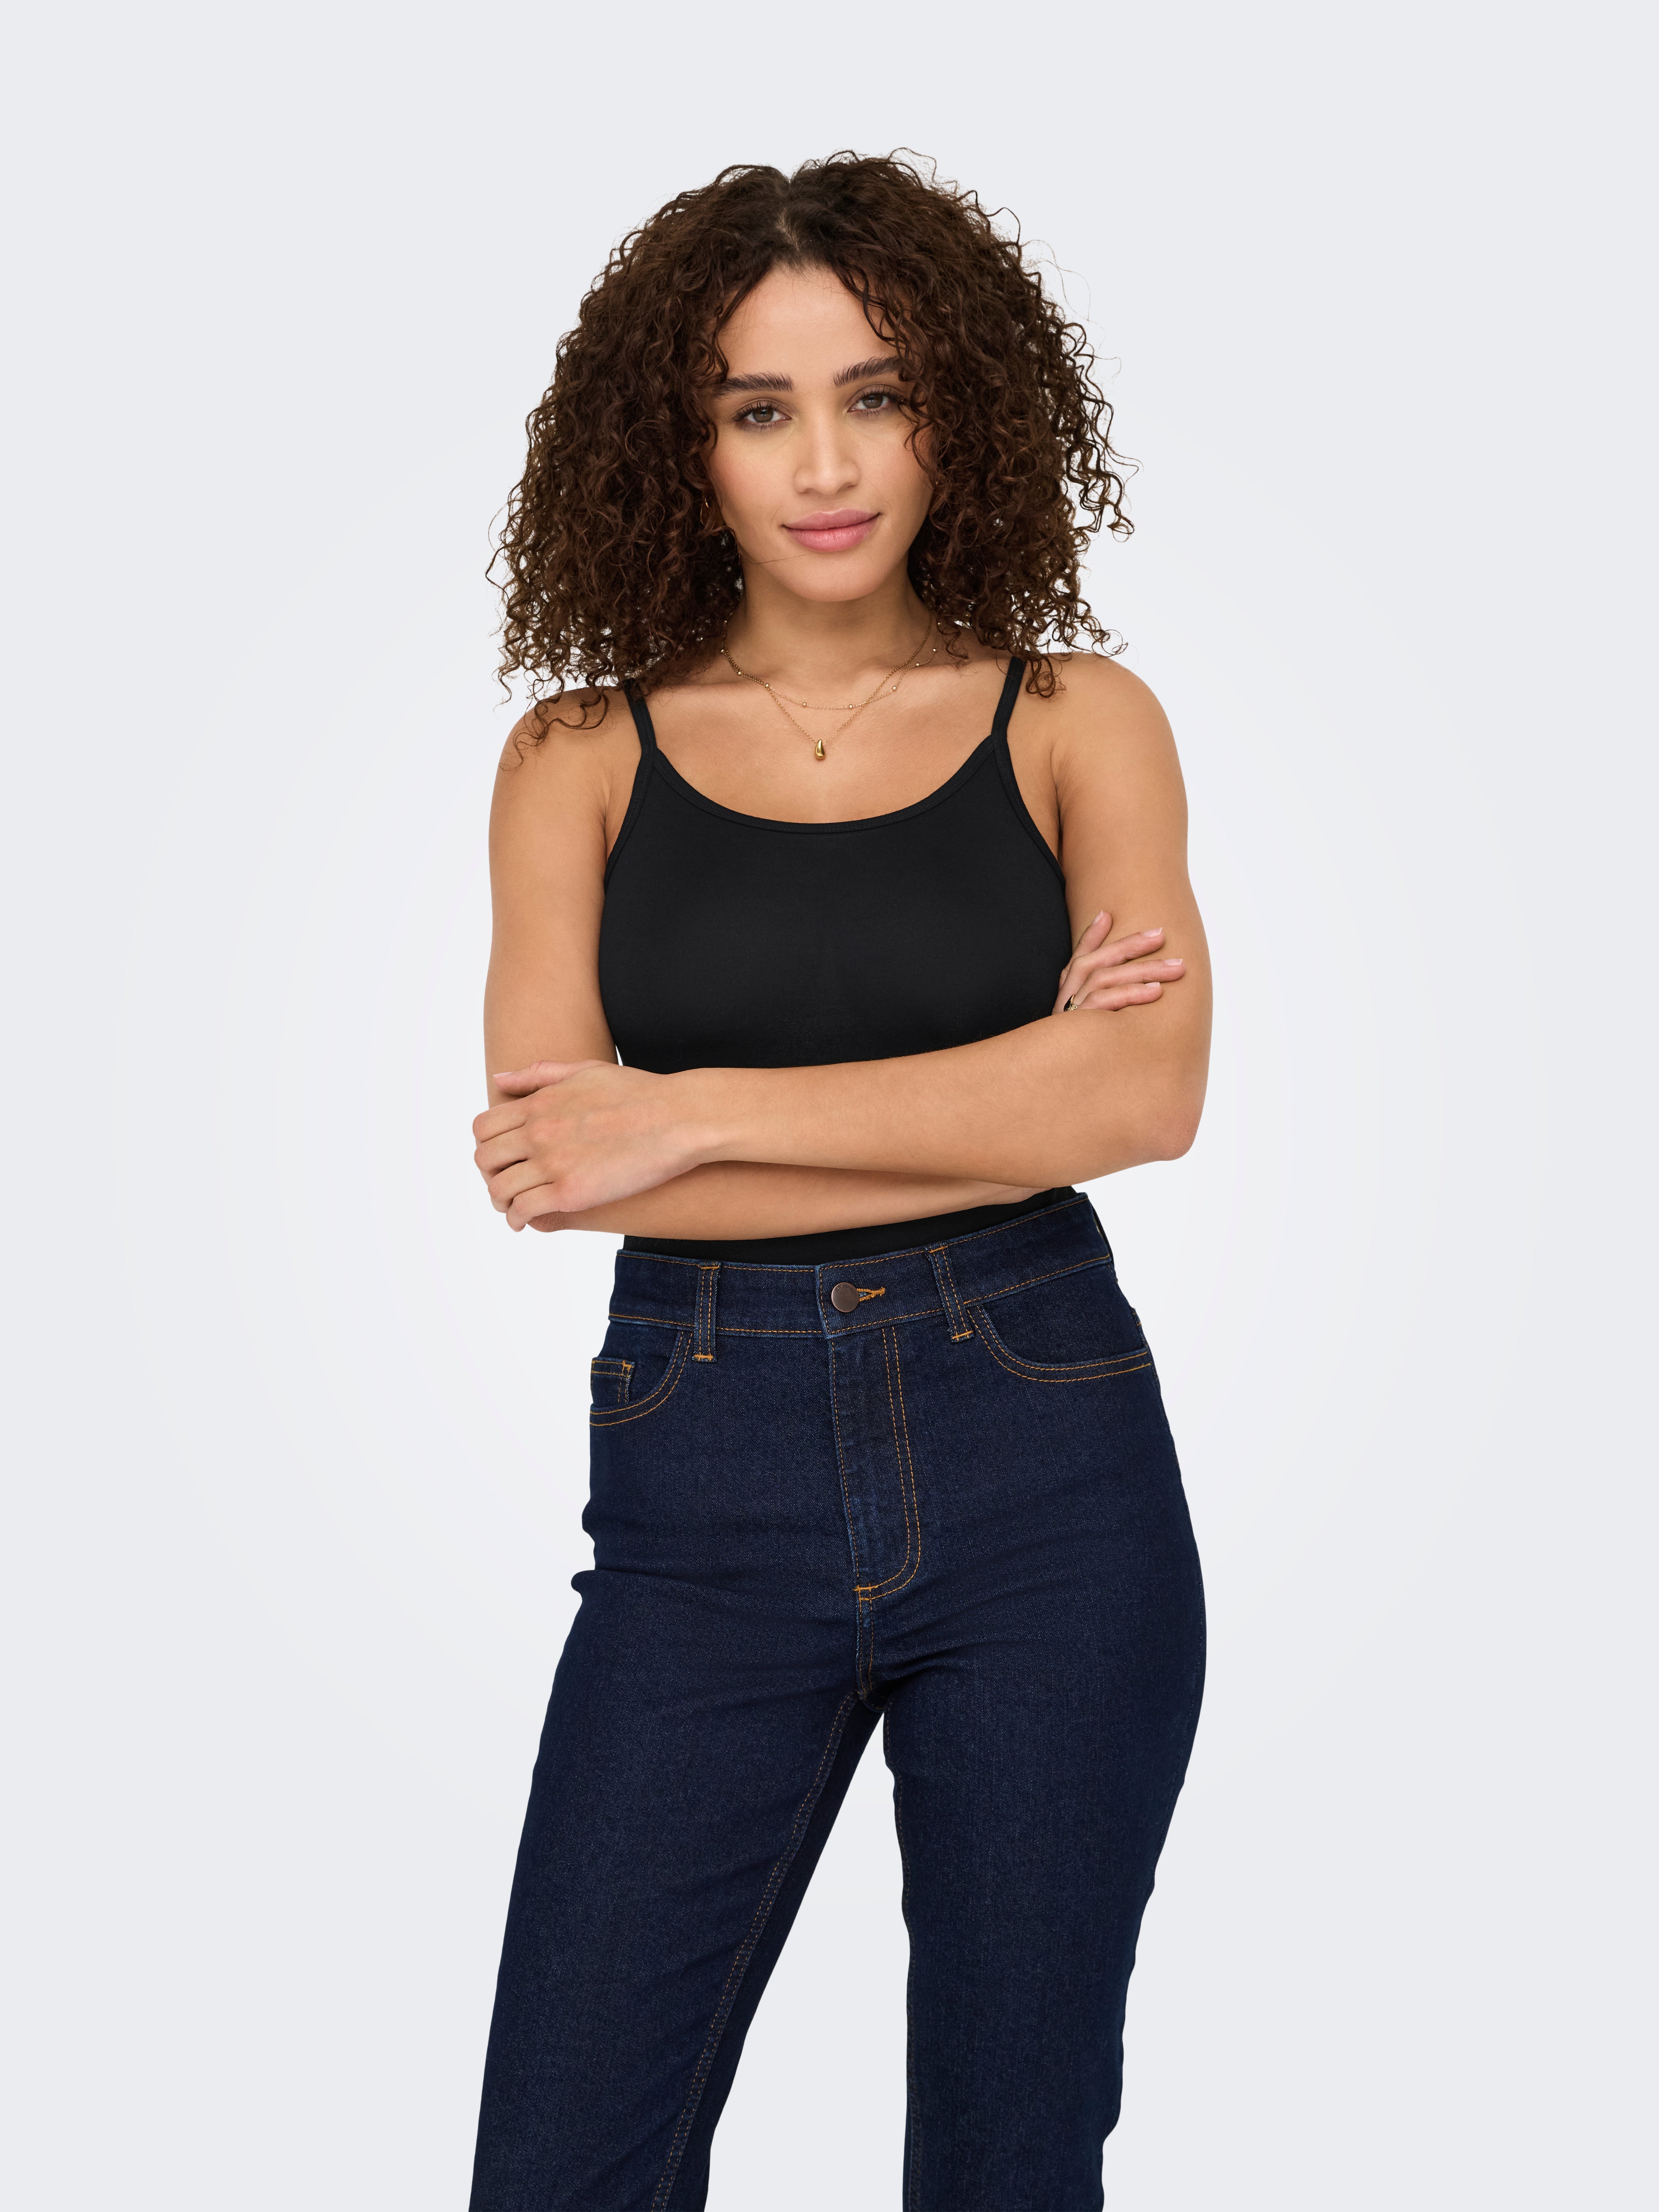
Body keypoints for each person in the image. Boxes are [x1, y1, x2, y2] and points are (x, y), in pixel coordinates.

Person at [467, 153, 1210, 2212]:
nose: (825, 464)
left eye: (878, 396)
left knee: (1010, 2161)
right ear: (678, 441)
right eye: (760, 407)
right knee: (563, 2162)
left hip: (1048, 1469)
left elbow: (1146, 1099)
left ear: (957, 415)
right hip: (702, 1486)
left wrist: (692, 1113)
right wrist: (1009, 1089)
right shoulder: (573, 759)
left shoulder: (1076, 721)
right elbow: (558, 1162)